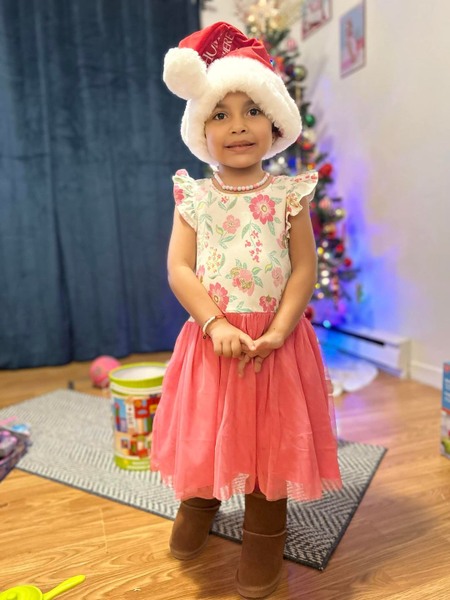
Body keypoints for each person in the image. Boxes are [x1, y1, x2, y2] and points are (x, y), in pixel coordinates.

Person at [151, 21, 342, 599]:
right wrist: (214, 323)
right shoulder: (194, 196)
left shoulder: (289, 195)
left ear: (276, 121)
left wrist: (281, 328)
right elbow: (180, 269)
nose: (237, 124)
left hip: (275, 347)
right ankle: (198, 505)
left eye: (252, 109)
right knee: (207, 434)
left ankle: (264, 538)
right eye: (220, 113)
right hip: (214, 344)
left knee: (271, 443)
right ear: (201, 130)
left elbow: (303, 268)